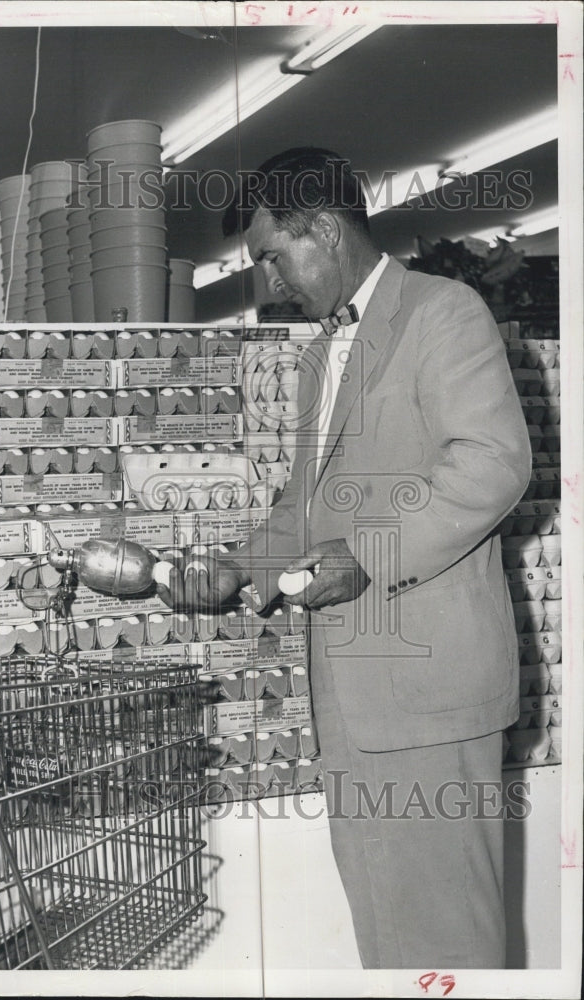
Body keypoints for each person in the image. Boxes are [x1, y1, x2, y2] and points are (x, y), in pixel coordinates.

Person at [157, 147, 532, 968]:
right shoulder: (321, 356)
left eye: (272, 256)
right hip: (354, 702)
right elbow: (304, 507)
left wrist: (368, 554)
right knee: (391, 940)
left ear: (323, 229)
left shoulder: (444, 311)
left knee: (447, 945)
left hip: (430, 701)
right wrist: (236, 568)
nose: (269, 280)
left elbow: (494, 463)